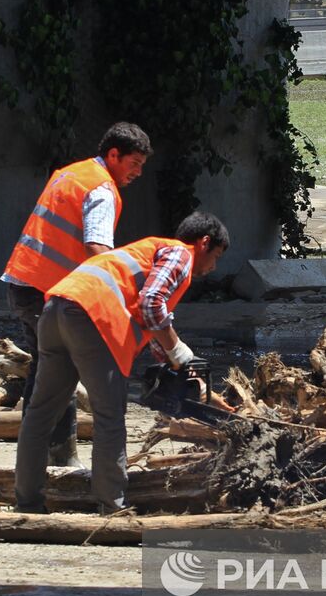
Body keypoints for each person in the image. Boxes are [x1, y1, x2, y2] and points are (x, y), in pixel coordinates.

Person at [15, 212, 229, 514]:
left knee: (40, 414)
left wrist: (187, 374)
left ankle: (27, 503)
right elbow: (152, 303)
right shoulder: (181, 254)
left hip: (55, 309)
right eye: (216, 257)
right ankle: (112, 505)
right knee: (110, 416)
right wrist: (180, 353)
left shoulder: (146, 250)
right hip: (90, 318)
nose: (213, 267)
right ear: (205, 243)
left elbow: (151, 326)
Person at [0, 122, 151, 468]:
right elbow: (97, 246)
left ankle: (43, 459)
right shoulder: (101, 189)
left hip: (27, 282)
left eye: (142, 165)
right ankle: (57, 461)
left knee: (48, 371)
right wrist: (123, 295)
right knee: (58, 371)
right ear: (114, 155)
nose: (139, 172)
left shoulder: (71, 173)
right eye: (134, 163)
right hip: (47, 289)